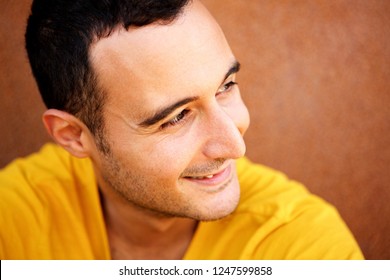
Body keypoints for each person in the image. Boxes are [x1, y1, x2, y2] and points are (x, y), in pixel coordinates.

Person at [0, 0, 363, 259]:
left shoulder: (302, 248)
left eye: (226, 86)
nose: (234, 146)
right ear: (73, 136)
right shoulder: (13, 220)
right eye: (175, 117)